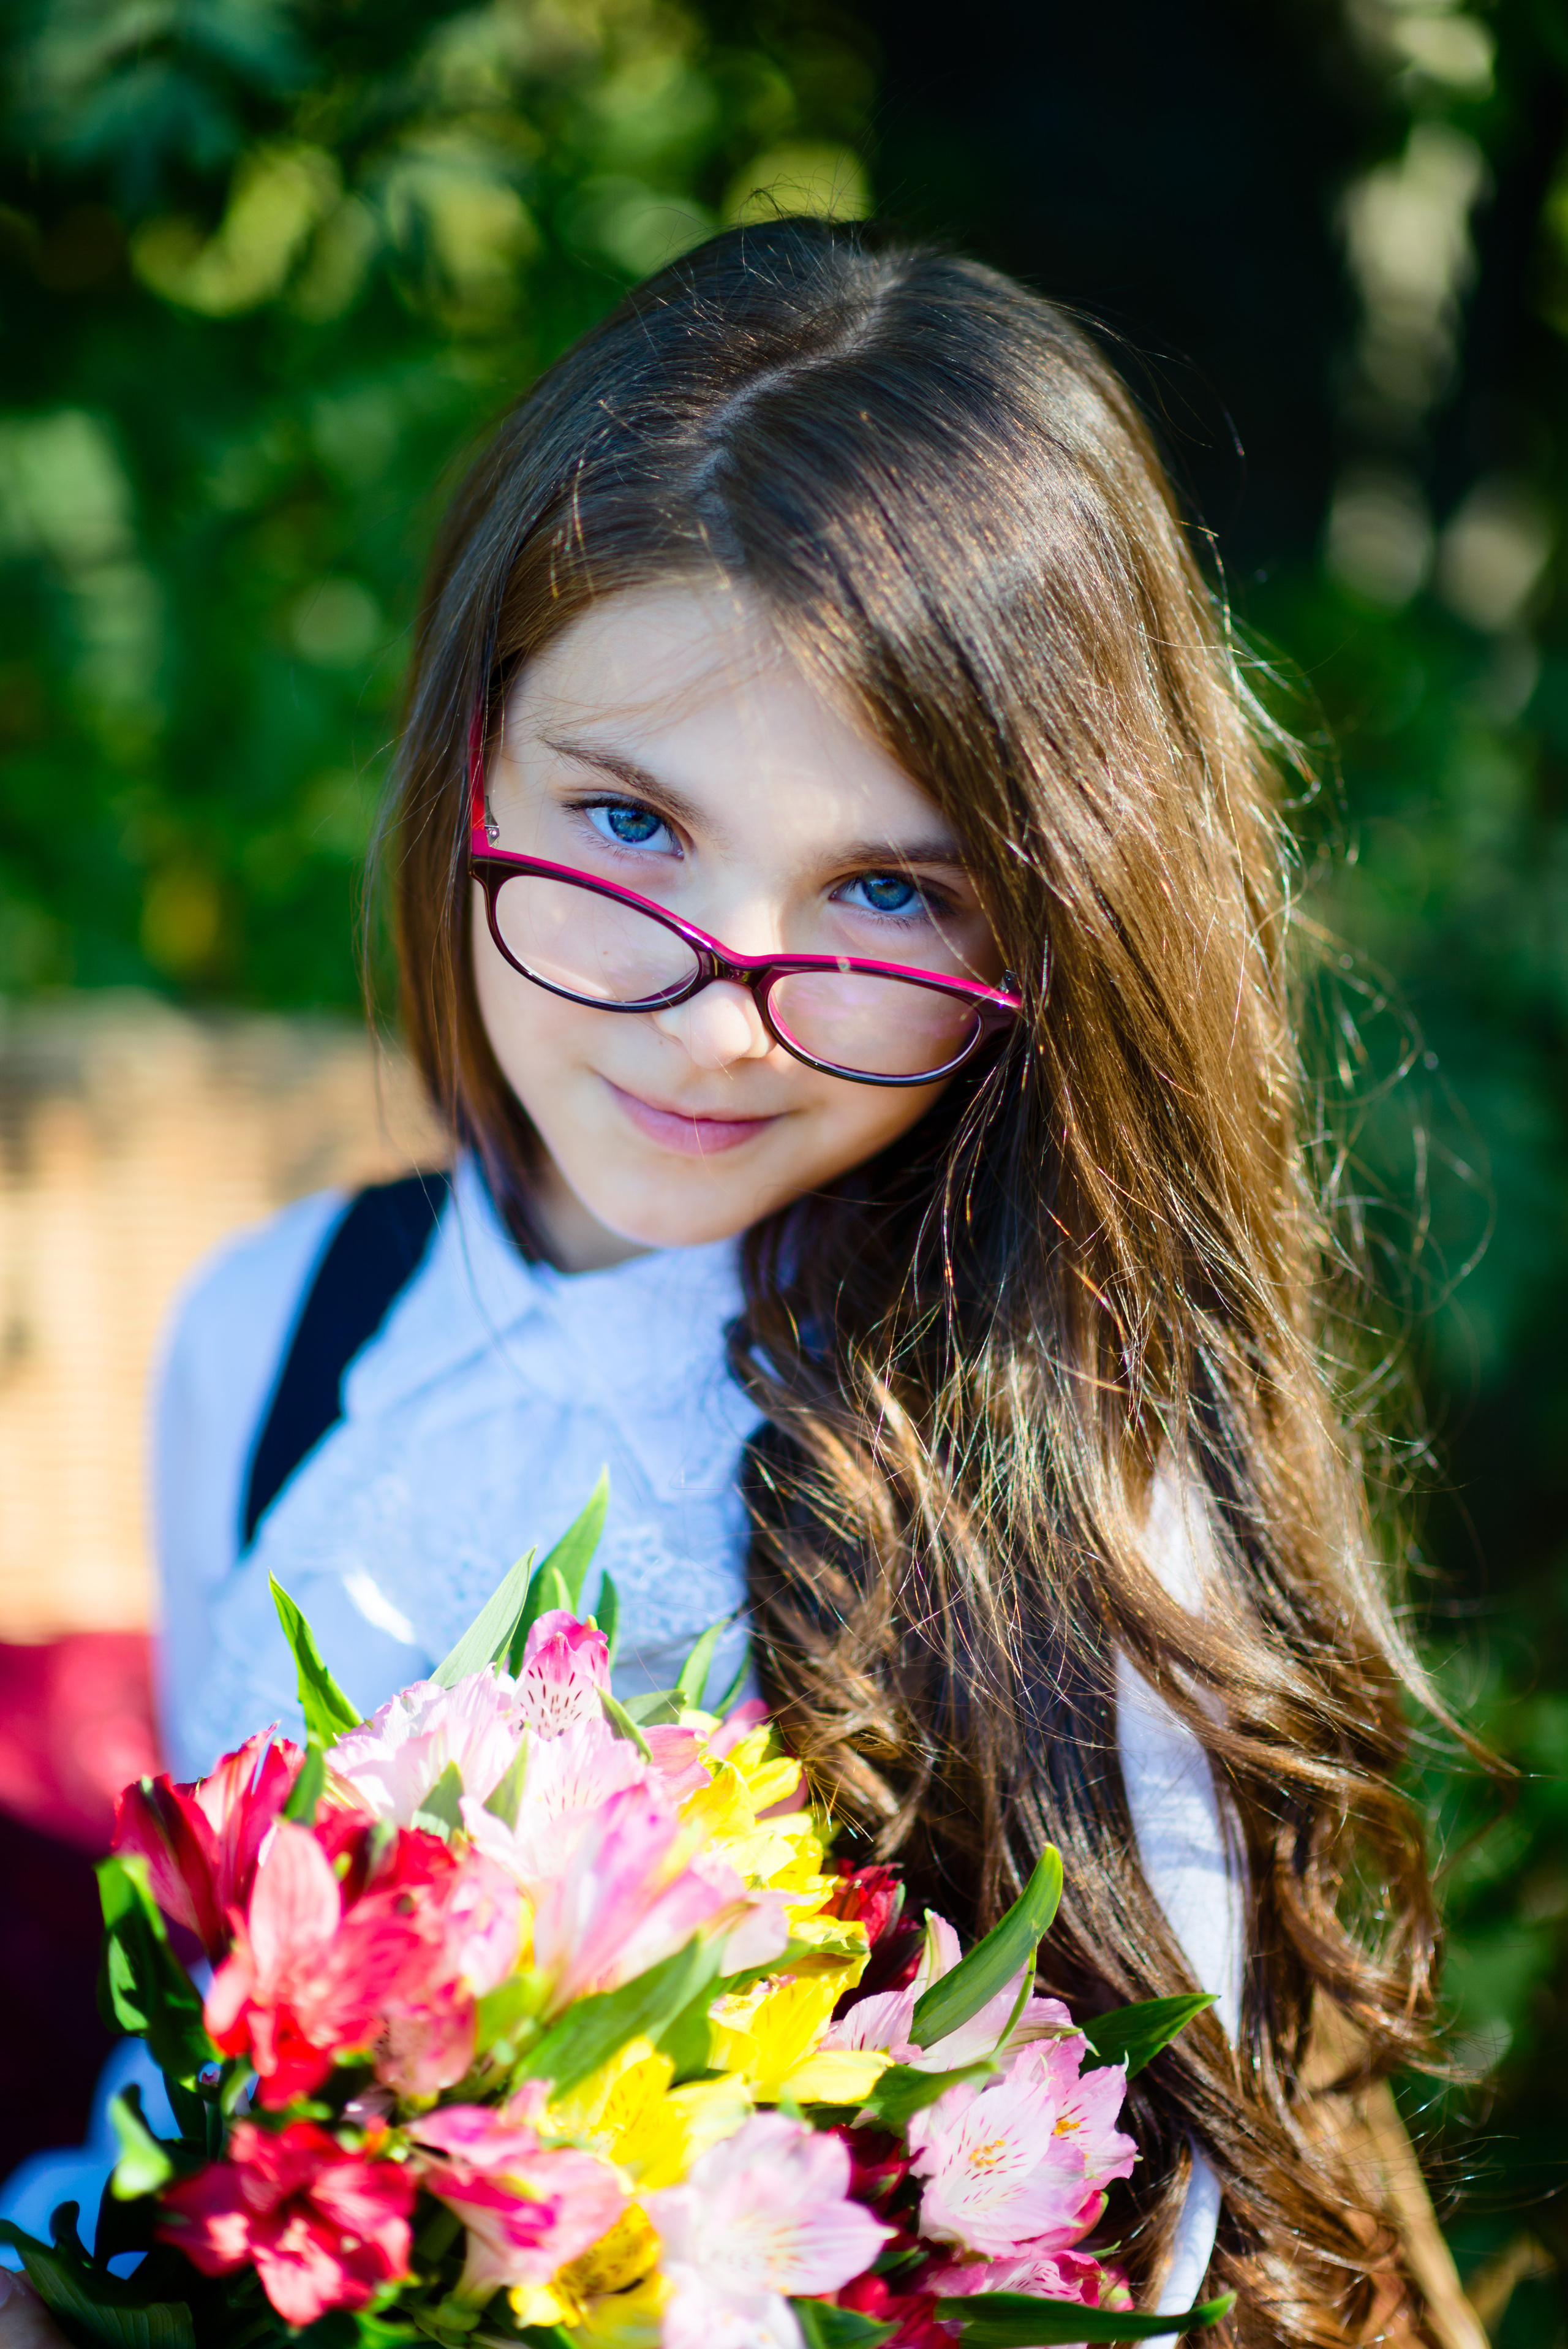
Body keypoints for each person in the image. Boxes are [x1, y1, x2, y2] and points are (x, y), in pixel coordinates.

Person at [4, 220, 1455, 2346]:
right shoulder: (276, 1330)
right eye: (631, 826)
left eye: (882, 888)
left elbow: (1155, 2257)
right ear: (476, 754)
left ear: (1051, 935)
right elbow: (201, 2084)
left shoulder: (1065, 1472)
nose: (717, 1023)